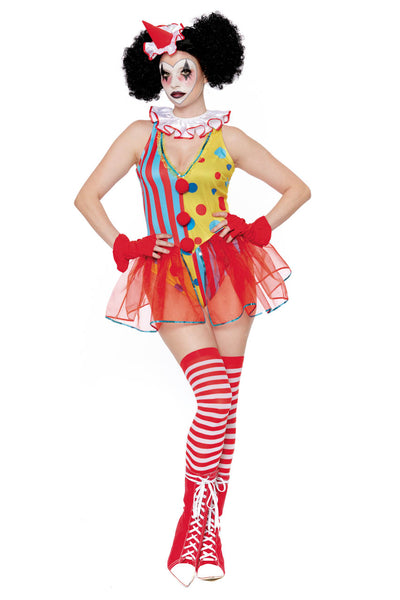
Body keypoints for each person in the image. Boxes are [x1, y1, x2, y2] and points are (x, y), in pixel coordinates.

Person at [74, 12, 311, 587]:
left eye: (186, 70)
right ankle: (190, 523)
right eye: (166, 72)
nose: (175, 81)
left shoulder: (229, 138)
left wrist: (256, 228)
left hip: (228, 273)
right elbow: (87, 197)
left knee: (226, 405)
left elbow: (297, 188)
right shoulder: (141, 135)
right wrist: (126, 244)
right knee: (212, 394)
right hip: (169, 278)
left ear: (208, 71)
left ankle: (210, 533)